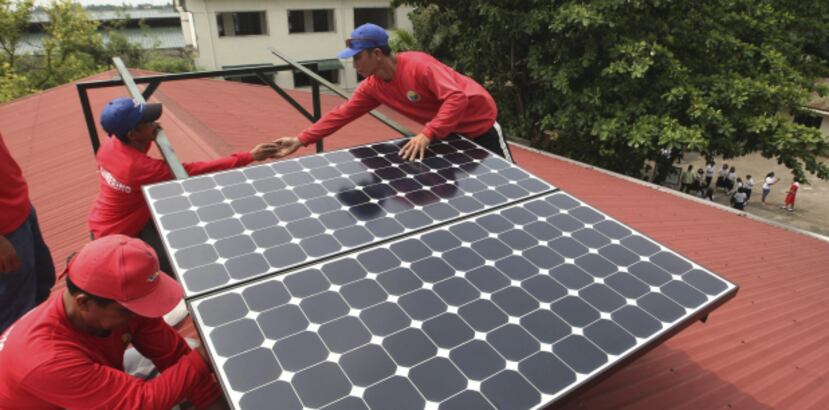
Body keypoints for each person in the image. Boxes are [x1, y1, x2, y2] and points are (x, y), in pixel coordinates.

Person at [0, 235, 227, 409]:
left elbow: (172, 354)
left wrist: (212, 402)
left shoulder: (121, 302)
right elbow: (140, 404)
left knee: (188, 355)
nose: (139, 315)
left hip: (79, 383)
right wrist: (203, 358)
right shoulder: (45, 360)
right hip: (57, 397)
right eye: (128, 311)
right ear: (83, 303)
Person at [88, 97, 278, 275]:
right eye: (148, 121)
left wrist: (148, 134)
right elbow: (196, 170)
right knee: (167, 269)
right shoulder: (140, 169)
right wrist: (249, 156)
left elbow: (135, 148)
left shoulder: (110, 145)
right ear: (132, 133)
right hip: (118, 236)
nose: (155, 122)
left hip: (105, 221)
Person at [271, 23, 513, 163]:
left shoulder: (420, 66)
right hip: (448, 133)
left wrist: (428, 133)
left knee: (513, 186)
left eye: (358, 58)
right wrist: (301, 139)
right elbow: (341, 114)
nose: (354, 65)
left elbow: (456, 98)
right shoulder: (372, 87)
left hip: (479, 126)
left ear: (377, 54)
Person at [0, 132, 56, 334]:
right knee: (15, 313)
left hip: (18, 207)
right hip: (6, 233)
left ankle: (39, 337)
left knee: (43, 281)